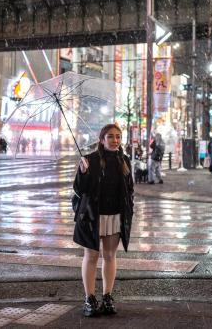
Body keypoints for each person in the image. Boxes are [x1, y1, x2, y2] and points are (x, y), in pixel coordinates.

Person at [73, 124, 134, 317]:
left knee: (109, 256)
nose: (115, 140)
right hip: (93, 216)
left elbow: (129, 189)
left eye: (118, 136)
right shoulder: (90, 160)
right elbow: (79, 190)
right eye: (110, 137)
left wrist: (128, 208)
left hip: (115, 215)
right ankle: (90, 299)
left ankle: (107, 297)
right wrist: (83, 172)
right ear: (102, 140)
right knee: (91, 256)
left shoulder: (124, 160)